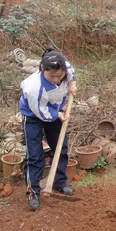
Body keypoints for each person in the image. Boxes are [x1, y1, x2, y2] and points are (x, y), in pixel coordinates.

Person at [19, 48, 77, 210]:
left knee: (61, 148)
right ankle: (33, 193)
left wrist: (71, 82)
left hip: (53, 110)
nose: (57, 79)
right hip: (33, 114)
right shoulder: (34, 88)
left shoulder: (63, 69)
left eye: (60, 76)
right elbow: (42, 113)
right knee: (35, 155)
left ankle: (58, 182)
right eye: (52, 76)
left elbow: (70, 70)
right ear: (42, 70)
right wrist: (58, 114)